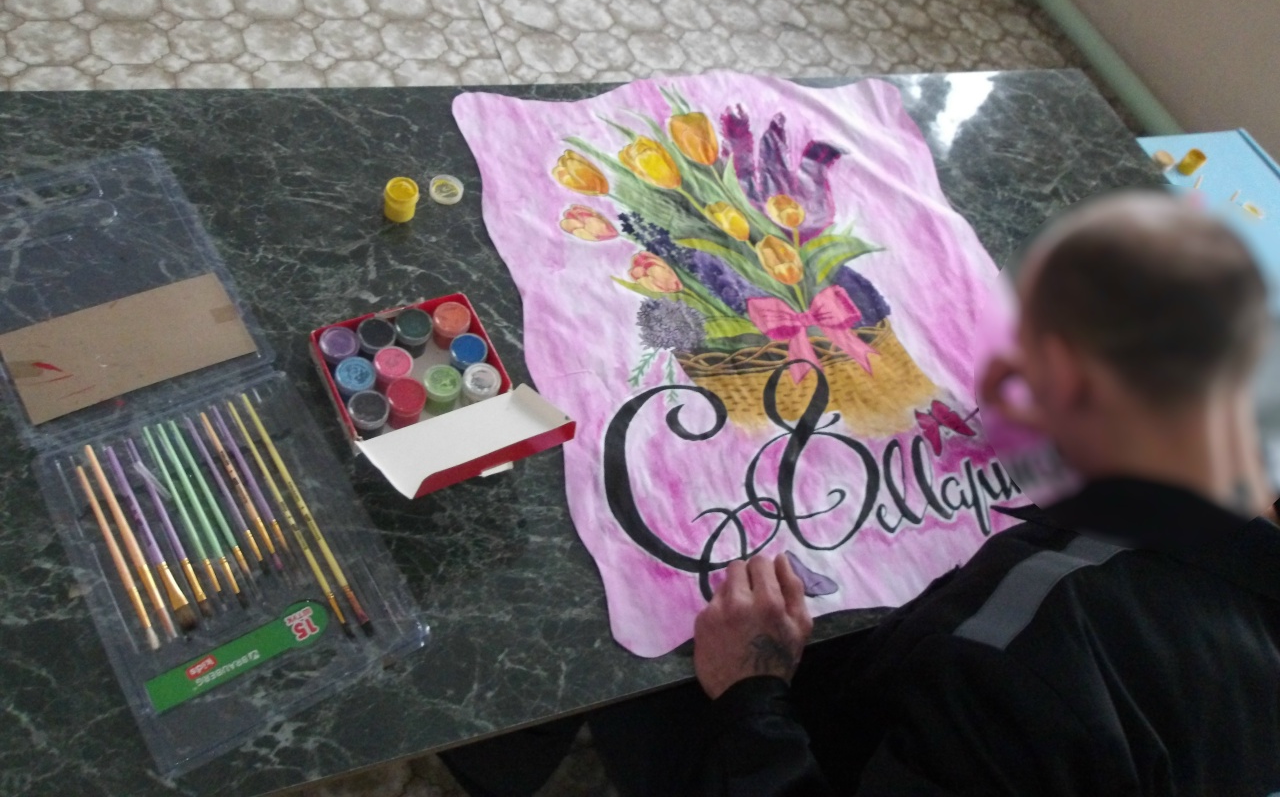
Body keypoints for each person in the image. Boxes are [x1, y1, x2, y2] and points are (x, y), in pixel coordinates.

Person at [443, 190, 1280, 796]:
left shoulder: (1045, 657)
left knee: (612, 565)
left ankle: (478, 759)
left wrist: (753, 693)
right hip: (900, 691)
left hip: (805, 748)